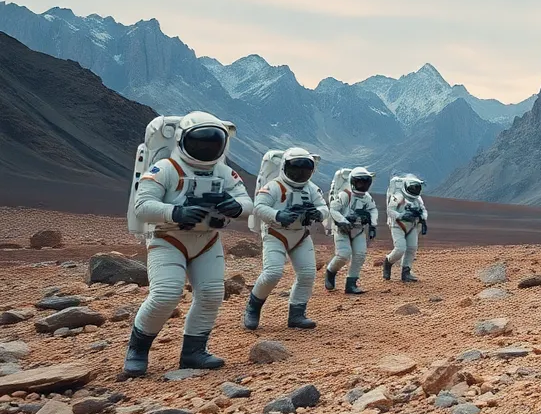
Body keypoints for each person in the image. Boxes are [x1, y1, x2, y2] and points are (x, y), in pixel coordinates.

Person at [125, 112, 251, 377]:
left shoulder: (224, 172)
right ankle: (137, 350)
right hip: (168, 238)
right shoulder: (166, 169)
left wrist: (236, 206)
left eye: (212, 143)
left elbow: (247, 202)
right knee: (165, 294)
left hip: (206, 241)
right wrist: (175, 213)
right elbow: (142, 205)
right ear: (182, 140)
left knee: (211, 295)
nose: (206, 149)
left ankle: (193, 352)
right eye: (200, 143)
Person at [244, 148, 329, 329]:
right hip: (276, 233)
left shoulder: (311, 188)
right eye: (296, 169)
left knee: (307, 274)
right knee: (272, 273)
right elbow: (259, 206)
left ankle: (297, 314)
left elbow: (324, 207)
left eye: (305, 170)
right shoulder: (274, 187)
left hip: (300, 235)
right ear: (284, 167)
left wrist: (317, 213)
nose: (300, 173)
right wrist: (278, 215)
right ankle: (253, 307)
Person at [324, 166, 379, 295]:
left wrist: (372, 223)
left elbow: (373, 209)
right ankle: (330, 271)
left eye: (365, 182)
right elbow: (333, 208)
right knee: (343, 254)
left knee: (360, 255)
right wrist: (343, 220)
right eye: (360, 182)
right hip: (342, 229)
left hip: (358, 230)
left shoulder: (367, 198)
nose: (362, 185)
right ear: (353, 182)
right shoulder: (345, 195)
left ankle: (351, 284)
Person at [383, 174, 428, 283]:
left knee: (412, 248)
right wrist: (402, 215)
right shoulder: (398, 196)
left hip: (412, 226)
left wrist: (422, 218)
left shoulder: (418, 199)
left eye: (417, 188)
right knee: (400, 248)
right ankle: (388, 261)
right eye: (413, 188)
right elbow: (390, 211)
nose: (415, 190)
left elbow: (423, 210)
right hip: (398, 226)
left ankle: (406, 272)